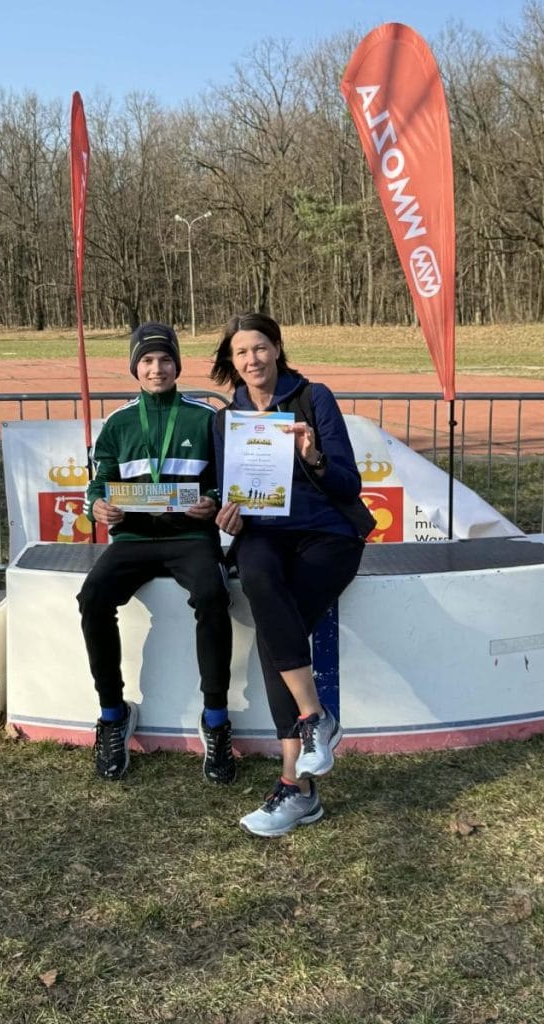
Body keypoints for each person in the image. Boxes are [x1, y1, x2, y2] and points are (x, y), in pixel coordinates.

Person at [212, 312, 374, 837]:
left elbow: (349, 486)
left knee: (274, 634)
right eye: (241, 352)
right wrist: (227, 515)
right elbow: (229, 492)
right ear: (231, 361)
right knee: (259, 577)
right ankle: (314, 719)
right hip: (263, 535)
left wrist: (314, 457)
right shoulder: (226, 421)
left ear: (278, 349)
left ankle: (297, 788)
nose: (252, 359)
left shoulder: (313, 398)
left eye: (260, 347)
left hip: (327, 534)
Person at [77, 322, 236, 784]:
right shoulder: (119, 422)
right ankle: (113, 714)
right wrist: (97, 506)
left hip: (191, 537)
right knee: (92, 599)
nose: (157, 368)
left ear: (177, 365)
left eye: (165, 359)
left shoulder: (204, 417)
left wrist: (211, 500)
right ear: (135, 368)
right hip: (133, 538)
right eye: (146, 361)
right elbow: (99, 483)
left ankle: (216, 719)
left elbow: (225, 479)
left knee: (213, 596)